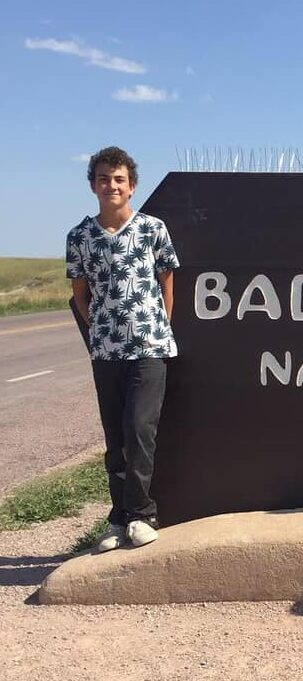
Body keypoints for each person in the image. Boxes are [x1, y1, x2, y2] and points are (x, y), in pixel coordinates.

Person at [66, 146, 180, 551]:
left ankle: (142, 514)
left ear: (131, 186)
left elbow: (167, 281)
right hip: (106, 351)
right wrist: (99, 326)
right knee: (115, 436)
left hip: (149, 347)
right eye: (103, 178)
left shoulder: (152, 229)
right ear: (93, 185)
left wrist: (159, 323)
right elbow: (81, 294)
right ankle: (118, 519)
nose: (110, 185)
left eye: (118, 179)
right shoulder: (80, 237)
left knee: (139, 429)